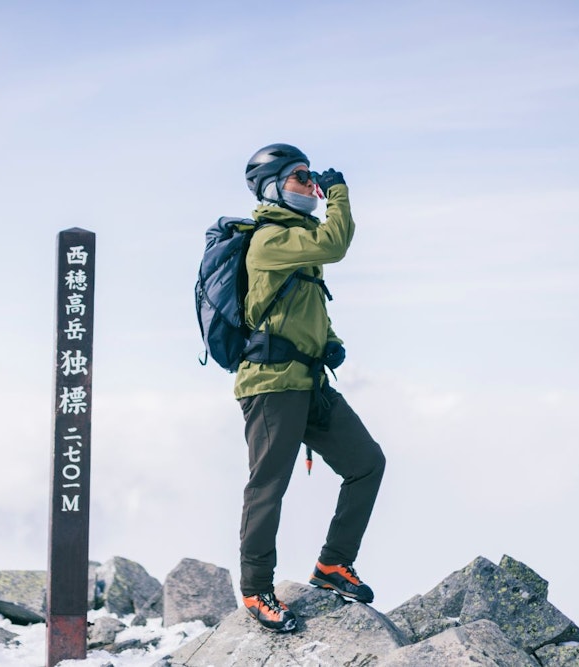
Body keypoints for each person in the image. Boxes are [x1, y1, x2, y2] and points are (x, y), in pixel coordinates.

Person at [235, 143, 386, 633]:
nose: (311, 185)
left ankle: (331, 565)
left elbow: (304, 310)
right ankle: (257, 590)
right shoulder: (270, 240)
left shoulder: (298, 239)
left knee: (366, 463)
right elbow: (337, 244)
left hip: (310, 381)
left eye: (311, 178)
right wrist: (339, 192)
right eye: (300, 177)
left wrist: (332, 342)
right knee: (268, 487)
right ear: (274, 185)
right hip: (273, 386)